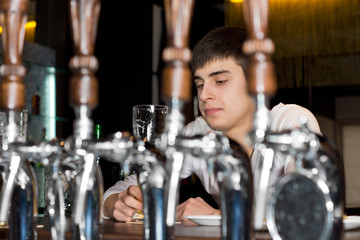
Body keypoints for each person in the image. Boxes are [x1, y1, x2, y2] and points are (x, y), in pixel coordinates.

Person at [101, 26, 321, 225]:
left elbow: (308, 211)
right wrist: (118, 204)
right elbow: (129, 186)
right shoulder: (197, 133)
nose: (204, 95)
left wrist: (216, 216)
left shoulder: (291, 123)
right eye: (199, 84)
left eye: (220, 81)